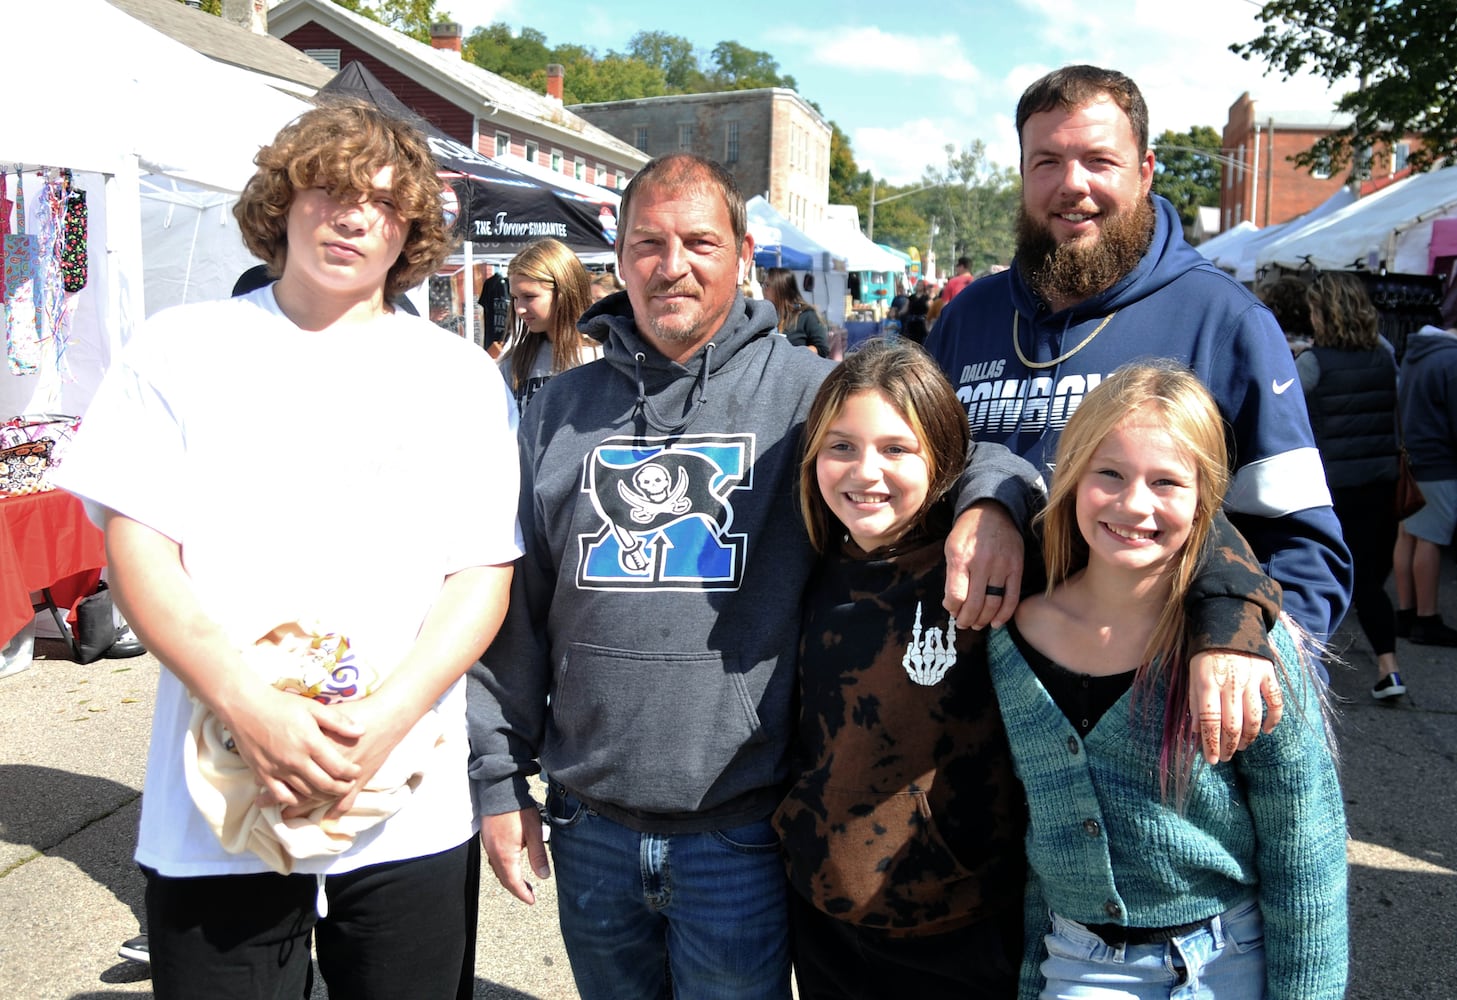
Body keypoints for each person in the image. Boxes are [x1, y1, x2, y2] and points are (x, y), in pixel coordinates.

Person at [467, 152, 1042, 1000]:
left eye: (699, 241)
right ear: (618, 257)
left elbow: (943, 449)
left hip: (740, 832)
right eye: (648, 243)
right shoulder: (556, 409)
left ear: (743, 253)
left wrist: (992, 502)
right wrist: (495, 776)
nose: (673, 266)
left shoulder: (811, 396)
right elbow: (515, 609)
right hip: (587, 818)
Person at [52, 98, 521, 999]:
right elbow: (137, 549)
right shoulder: (179, 348)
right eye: (331, 189)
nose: (353, 216)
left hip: (401, 787)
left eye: (386, 205)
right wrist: (246, 702)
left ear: (411, 232)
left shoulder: (457, 377)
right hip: (220, 783)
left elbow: (480, 570)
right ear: (282, 200)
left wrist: (387, 717)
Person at [926, 64, 1352, 696]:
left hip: (1146, 720)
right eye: (1047, 162)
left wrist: (1251, 664)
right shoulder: (967, 319)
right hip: (963, 712)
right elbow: (907, 484)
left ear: (1146, 171)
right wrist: (985, 499)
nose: (1073, 185)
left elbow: (1305, 550)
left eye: (1099, 160)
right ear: (1022, 175)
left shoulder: (1225, 321)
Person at [990, 362, 1348, 1000]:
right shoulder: (1009, 638)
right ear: (1071, 475)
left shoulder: (1252, 654)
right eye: (1110, 474)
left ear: (1205, 500)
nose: (1135, 504)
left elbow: (1304, 846)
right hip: (1078, 961)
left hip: (1229, 957)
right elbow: (1032, 846)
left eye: (1166, 482)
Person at [775, 338, 1027, 997]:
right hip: (822, 912)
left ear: (942, 454)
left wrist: (998, 499)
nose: (864, 473)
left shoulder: (989, 565)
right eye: (841, 447)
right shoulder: (802, 559)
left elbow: (1166, 539)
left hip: (957, 924)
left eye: (895, 449)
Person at [1298, 272, 1407, 697]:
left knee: (1331, 571)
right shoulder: (1384, 352)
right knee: (1369, 575)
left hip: (1333, 483)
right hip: (1381, 479)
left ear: (1323, 313)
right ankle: (1387, 666)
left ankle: (1326, 664)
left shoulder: (1312, 362)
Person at [1393, 323, 1457, 646]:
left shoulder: (1417, 353)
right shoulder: (1451, 360)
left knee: (1409, 534)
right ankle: (1427, 617)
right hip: (1437, 461)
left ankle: (1407, 612)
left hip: (1411, 457)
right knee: (1430, 538)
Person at [498, 237, 600, 409]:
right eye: (514, 298)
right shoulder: (513, 364)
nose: (519, 309)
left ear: (564, 293)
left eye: (529, 297)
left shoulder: (604, 355)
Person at [763, 265, 830, 355]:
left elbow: (822, 349)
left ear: (780, 288)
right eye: (763, 285)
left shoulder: (806, 315)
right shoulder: (768, 315)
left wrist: (794, 354)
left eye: (767, 285)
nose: (763, 289)